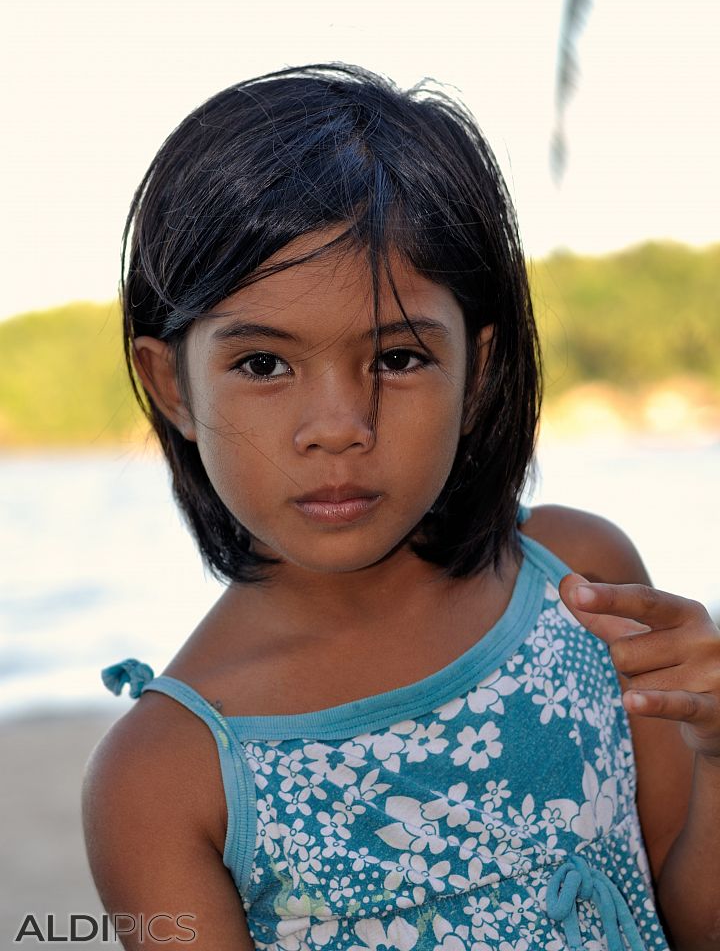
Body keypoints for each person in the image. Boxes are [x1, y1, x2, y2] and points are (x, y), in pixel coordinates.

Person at [82, 63, 720, 951]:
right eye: (263, 365)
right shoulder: (165, 776)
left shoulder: (585, 589)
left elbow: (692, 924)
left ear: (478, 367)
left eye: (397, 358)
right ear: (172, 385)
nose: (338, 429)